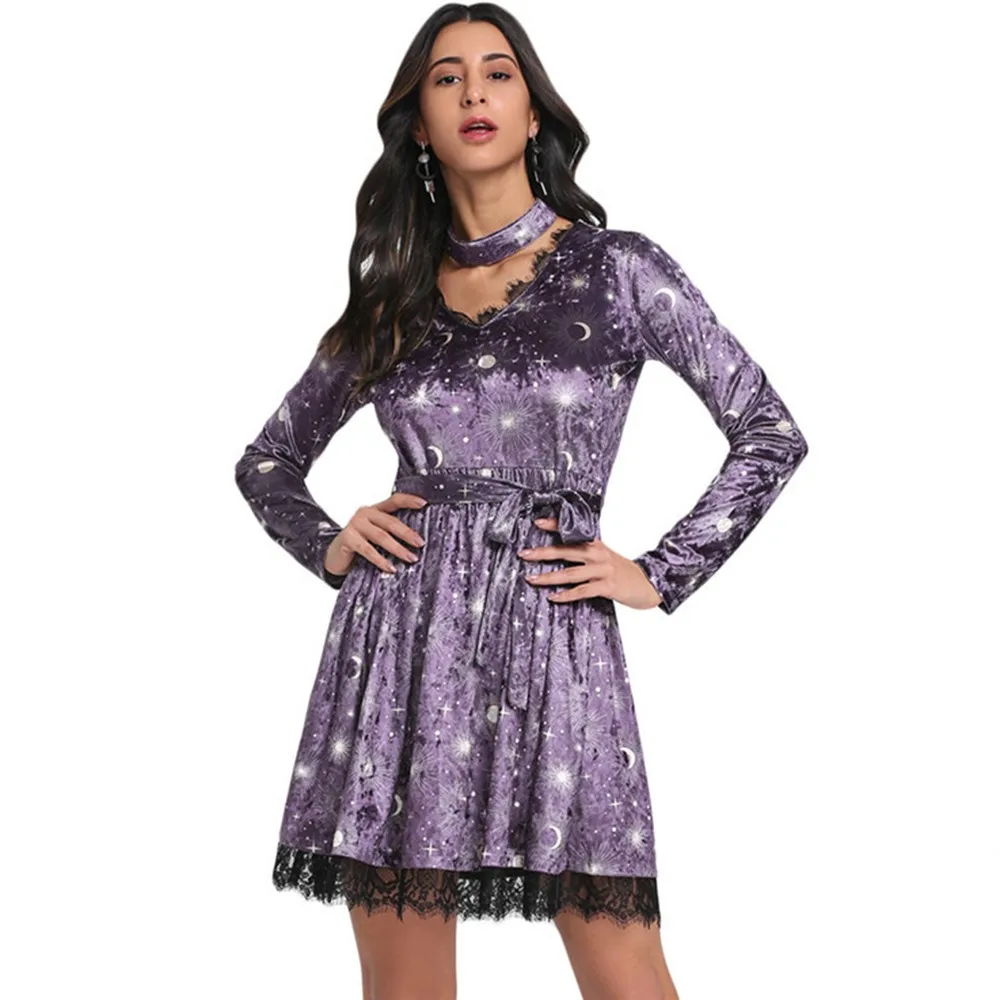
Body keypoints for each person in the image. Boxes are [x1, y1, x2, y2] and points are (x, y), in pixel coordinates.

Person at [234, 5, 808, 999]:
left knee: (623, 966)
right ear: (419, 122)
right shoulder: (394, 296)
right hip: (403, 646)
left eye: (498, 73)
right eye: (446, 77)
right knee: (404, 984)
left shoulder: (616, 267)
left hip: (555, 633)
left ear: (533, 112)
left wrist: (660, 571)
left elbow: (768, 430)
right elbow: (268, 460)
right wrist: (330, 542)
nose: (474, 92)